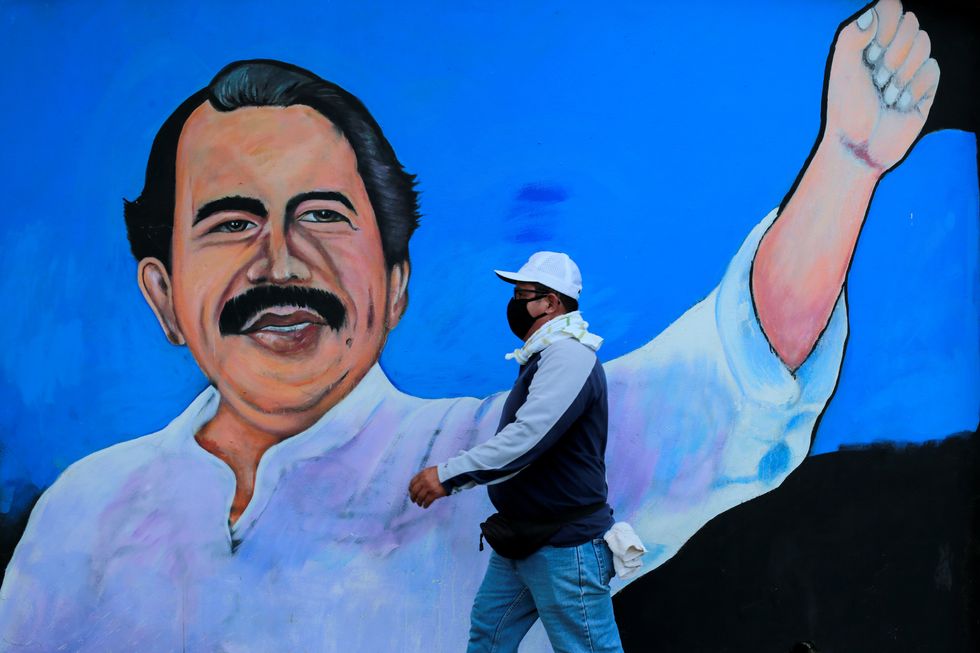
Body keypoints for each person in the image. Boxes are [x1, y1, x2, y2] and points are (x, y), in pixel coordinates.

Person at [0, 2, 939, 651]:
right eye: (231, 220)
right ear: (162, 293)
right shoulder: (78, 521)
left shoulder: (506, 454)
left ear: (395, 281)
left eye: (324, 214)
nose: (280, 260)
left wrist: (848, 163)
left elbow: (731, 382)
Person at [410, 250, 623, 652]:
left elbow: (527, 439)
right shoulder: (545, 355)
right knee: (489, 637)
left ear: (552, 302)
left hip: (564, 547)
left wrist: (447, 476)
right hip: (523, 538)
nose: (514, 304)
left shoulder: (569, 356)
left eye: (524, 294)